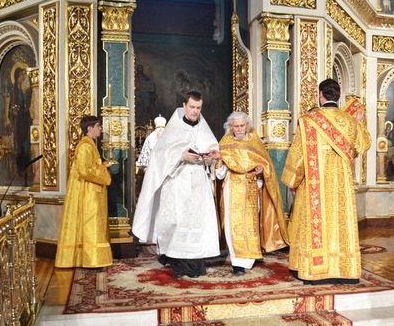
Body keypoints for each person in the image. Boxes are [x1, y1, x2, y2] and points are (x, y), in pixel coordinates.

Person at [282, 79, 371, 285]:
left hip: (314, 183)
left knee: (314, 223)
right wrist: (358, 121)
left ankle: (315, 270)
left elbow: (298, 156)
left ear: (320, 94)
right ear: (337, 96)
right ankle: (343, 269)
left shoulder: (309, 120)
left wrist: (292, 181)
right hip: (342, 186)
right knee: (340, 223)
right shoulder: (349, 121)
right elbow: (363, 145)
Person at [132, 90, 221, 278]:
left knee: (197, 222)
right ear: (184, 106)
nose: (195, 111)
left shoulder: (204, 130)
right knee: (178, 222)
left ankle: (196, 262)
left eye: (198, 108)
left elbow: (213, 156)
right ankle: (179, 264)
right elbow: (159, 157)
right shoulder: (173, 129)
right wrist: (181, 156)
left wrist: (209, 159)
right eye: (192, 107)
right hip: (177, 182)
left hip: (199, 183)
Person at [216, 112, 289, 275]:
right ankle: (237, 262)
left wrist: (261, 171)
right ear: (231, 127)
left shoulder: (255, 142)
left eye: (242, 125)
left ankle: (249, 256)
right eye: (236, 126)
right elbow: (219, 174)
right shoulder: (225, 143)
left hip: (252, 186)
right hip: (232, 186)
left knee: (250, 222)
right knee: (233, 223)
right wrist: (220, 159)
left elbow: (266, 166)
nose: (239, 129)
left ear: (247, 125)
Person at [55, 115, 114, 268]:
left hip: (91, 190)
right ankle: (92, 259)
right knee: (91, 223)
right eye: (98, 126)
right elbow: (84, 171)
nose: (100, 129)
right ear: (90, 128)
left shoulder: (90, 144)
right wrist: (104, 168)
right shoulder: (85, 146)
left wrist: (102, 166)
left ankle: (92, 259)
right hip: (87, 192)